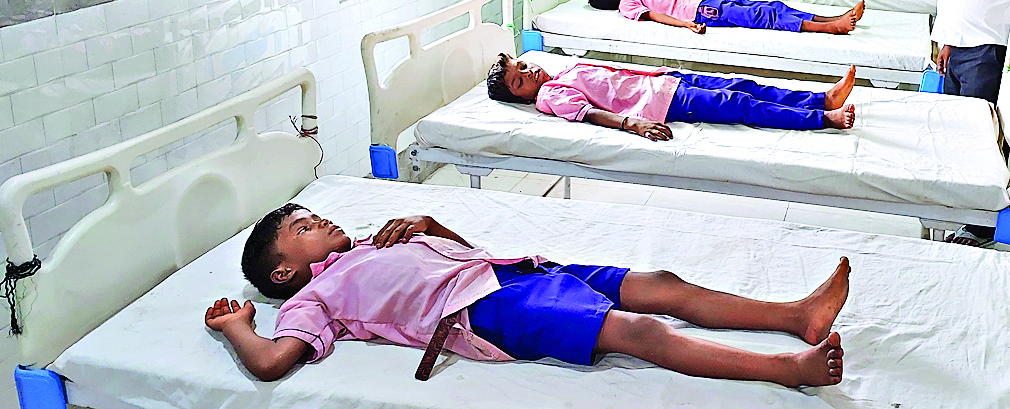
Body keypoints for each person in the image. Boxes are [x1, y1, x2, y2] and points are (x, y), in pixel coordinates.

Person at [207, 206, 851, 386]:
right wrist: (237, 326)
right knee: (638, 332)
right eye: (304, 229)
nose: (321, 222)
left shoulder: (375, 242)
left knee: (660, 285)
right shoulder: (312, 299)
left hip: (512, 271)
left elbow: (464, 251)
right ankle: (787, 370)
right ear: (285, 273)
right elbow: (272, 362)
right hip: (482, 311)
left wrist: (431, 226)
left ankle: (795, 315)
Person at [490, 54, 860, 133]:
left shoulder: (561, 70)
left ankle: (821, 99)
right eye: (520, 81)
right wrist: (633, 124)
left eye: (522, 66)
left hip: (666, 80)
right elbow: (589, 113)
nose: (528, 72)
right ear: (522, 98)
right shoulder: (549, 95)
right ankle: (822, 119)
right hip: (663, 103)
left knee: (743, 85)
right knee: (740, 105)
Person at [587, 0, 867, 36]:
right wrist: (686, 24)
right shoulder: (628, 4)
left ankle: (831, 17)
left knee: (773, 5)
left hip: (706, 2)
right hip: (702, 13)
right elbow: (655, 15)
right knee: (763, 15)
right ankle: (830, 28)